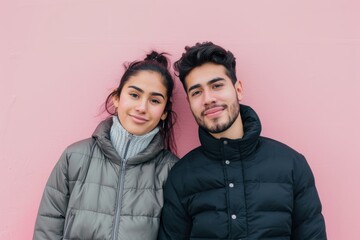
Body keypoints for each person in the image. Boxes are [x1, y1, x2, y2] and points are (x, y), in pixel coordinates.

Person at [158, 42, 327, 239]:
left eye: (217, 85)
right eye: (196, 92)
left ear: (238, 90)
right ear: (189, 102)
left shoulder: (292, 165)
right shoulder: (181, 176)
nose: (208, 98)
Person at [33, 51, 179, 240]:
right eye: (134, 95)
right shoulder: (74, 157)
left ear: (164, 112)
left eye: (155, 100)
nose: (142, 107)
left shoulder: (172, 170)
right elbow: (47, 228)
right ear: (116, 98)